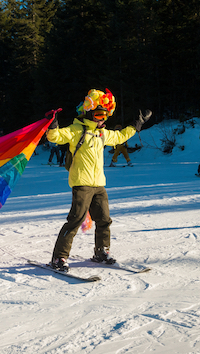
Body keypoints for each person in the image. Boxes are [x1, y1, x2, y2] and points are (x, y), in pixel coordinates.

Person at [46, 88, 151, 272]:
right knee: (75, 220)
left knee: (104, 219)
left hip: (99, 184)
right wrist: (53, 124)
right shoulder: (76, 130)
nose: (102, 118)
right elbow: (56, 137)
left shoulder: (102, 133)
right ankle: (59, 257)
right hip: (82, 184)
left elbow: (120, 136)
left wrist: (136, 125)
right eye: (98, 114)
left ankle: (101, 251)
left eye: (105, 114)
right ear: (89, 112)